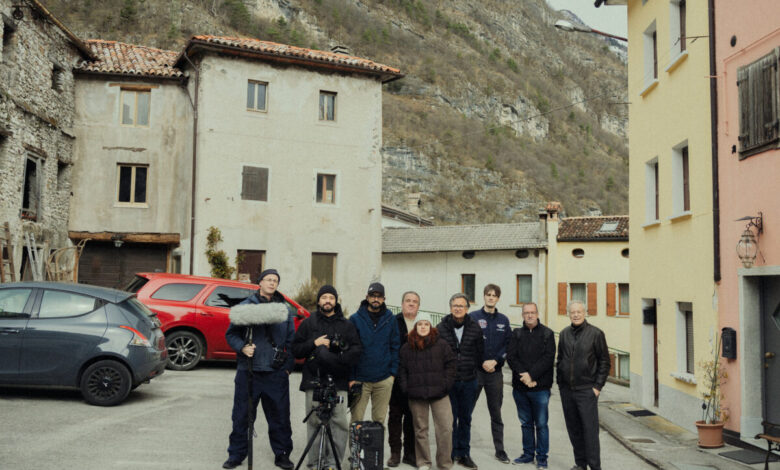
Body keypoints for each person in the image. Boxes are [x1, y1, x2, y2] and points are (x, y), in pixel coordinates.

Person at [223, 269, 295, 470]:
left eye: (275, 280)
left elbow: (291, 341)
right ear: (260, 282)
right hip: (249, 371)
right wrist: (242, 347)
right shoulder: (245, 308)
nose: (272, 283)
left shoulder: (284, 310)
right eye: (268, 279)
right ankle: (236, 455)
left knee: (280, 418)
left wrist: (287, 368)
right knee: (241, 416)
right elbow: (231, 335)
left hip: (276, 373)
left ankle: (282, 455)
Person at [292, 285, 363, 470]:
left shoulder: (347, 325)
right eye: (324, 298)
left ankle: (333, 463)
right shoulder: (309, 323)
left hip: (338, 381)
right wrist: (314, 344)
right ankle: (315, 462)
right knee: (315, 421)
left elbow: (356, 351)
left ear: (336, 301)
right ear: (318, 301)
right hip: (314, 380)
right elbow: (296, 350)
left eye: (331, 297)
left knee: (339, 422)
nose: (327, 301)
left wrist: (338, 358)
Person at [557, 300, 610, 470]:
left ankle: (595, 467)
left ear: (585, 313)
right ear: (568, 314)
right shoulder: (564, 334)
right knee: (574, 430)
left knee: (590, 432)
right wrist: (560, 385)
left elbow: (604, 362)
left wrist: (597, 387)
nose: (576, 314)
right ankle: (580, 464)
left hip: (587, 391)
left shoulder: (596, 334)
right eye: (573, 312)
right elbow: (560, 361)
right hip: (567, 391)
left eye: (579, 311)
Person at [398, 314, 457, 470]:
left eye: (426, 324)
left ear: (431, 327)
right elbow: (402, 370)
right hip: (416, 395)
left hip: (440, 394)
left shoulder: (442, 345)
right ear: (415, 327)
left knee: (445, 428)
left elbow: (451, 366)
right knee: (420, 430)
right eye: (420, 324)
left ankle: (444, 463)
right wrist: (407, 387)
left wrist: (445, 385)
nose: (423, 327)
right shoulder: (406, 347)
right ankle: (424, 462)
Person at [437, 293, 484, 470]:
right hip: (449, 382)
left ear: (467, 309)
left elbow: (480, 353)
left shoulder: (475, 328)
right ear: (450, 308)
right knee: (450, 420)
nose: (458, 308)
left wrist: (474, 372)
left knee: (465, 418)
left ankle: (464, 453)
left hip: (469, 381)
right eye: (455, 305)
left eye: (461, 306)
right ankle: (450, 453)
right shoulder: (441, 328)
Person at [507, 303, 556, 469]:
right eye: (526, 313)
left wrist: (532, 376)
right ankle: (528, 454)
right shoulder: (516, 333)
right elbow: (511, 357)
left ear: (537, 313)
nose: (529, 315)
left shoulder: (547, 334)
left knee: (541, 424)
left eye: (532, 312)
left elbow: (548, 359)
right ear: (522, 315)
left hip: (540, 388)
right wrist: (525, 377)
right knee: (526, 423)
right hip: (520, 388)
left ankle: (542, 457)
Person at [470, 284, 512, 464]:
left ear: (498, 298)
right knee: (466, 412)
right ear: (484, 296)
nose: (491, 298)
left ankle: (500, 450)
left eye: (494, 295)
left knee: (496, 413)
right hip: (476, 372)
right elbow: (469, 343)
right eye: (488, 294)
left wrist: (496, 361)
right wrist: (481, 362)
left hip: (495, 374)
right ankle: (460, 449)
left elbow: (508, 345)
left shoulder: (504, 319)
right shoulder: (473, 317)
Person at [349, 282, 401, 426]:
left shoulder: (391, 319)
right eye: (372, 296)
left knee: (379, 422)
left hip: (384, 379)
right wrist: (352, 377)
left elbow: (395, 346)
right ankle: (356, 450)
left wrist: (392, 374)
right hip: (360, 380)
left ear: (384, 299)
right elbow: (350, 350)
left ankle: (376, 450)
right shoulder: (355, 319)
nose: (375, 299)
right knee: (356, 421)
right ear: (367, 297)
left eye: (379, 296)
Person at [387, 291, 421, 467]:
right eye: (408, 301)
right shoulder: (394, 321)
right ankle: (395, 453)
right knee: (395, 417)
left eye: (414, 301)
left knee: (412, 418)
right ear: (402, 304)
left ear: (418, 306)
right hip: (395, 377)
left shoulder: (422, 323)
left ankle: (410, 454)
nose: (411, 304)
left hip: (415, 379)